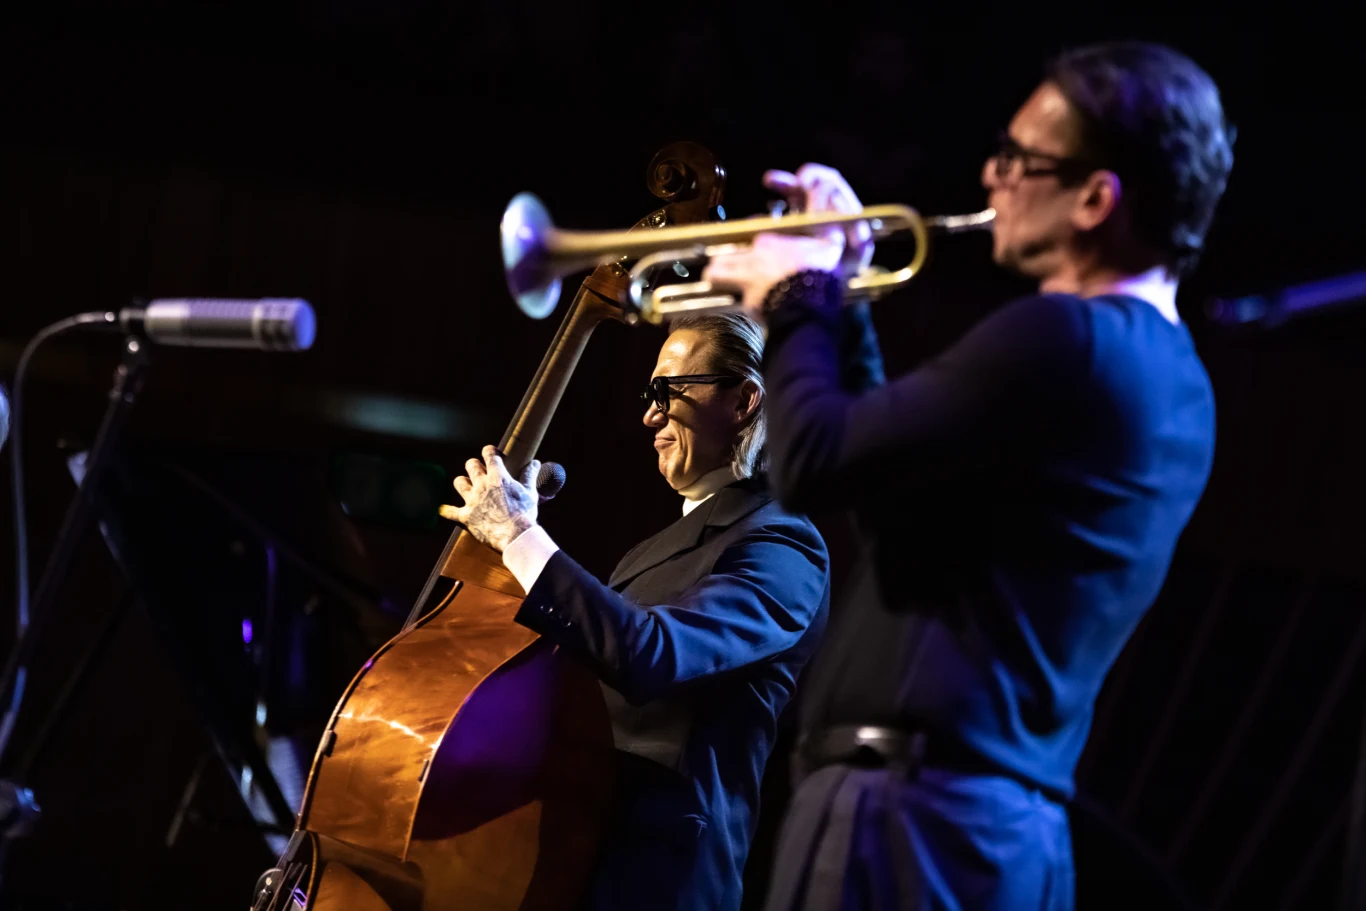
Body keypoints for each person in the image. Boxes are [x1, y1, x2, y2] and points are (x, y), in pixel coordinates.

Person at [700, 41, 1235, 910]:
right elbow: (881, 491)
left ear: (1097, 198)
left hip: (904, 820)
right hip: (991, 827)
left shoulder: (1065, 336)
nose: (991, 175)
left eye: (1021, 158)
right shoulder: (1176, 382)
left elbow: (809, 463)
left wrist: (798, 294)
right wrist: (844, 286)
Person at [442, 311, 831, 910]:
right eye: (648, 395)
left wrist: (521, 536)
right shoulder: (651, 551)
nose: (650, 416)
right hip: (579, 845)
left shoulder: (783, 547)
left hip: (654, 874)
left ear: (744, 401)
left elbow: (651, 653)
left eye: (666, 393)